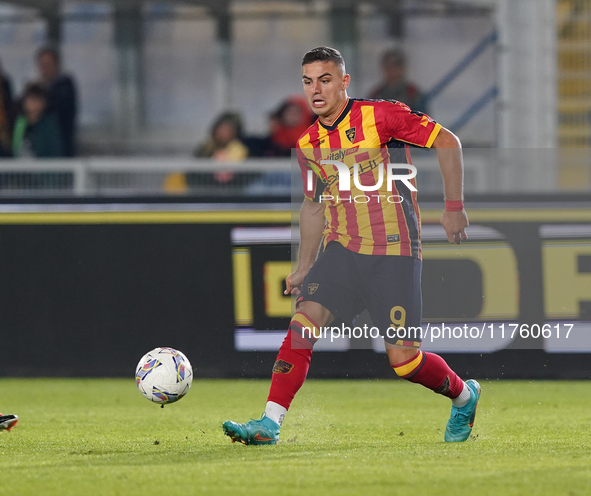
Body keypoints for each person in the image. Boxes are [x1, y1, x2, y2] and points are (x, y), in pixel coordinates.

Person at [223, 46, 479, 445]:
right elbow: (313, 206)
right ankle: (269, 424)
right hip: (342, 250)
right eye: (308, 82)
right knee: (303, 323)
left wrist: (454, 208)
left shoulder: (380, 116)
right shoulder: (309, 145)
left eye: (325, 79)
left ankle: (464, 396)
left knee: (405, 362)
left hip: (394, 250)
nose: (316, 90)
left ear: (344, 82)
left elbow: (448, 142)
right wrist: (304, 266)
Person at [37, 46, 78, 157]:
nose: (45, 69)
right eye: (42, 65)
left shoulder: (65, 85)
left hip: (63, 150)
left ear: (57, 65)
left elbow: (58, 105)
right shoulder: (38, 88)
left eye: (48, 65)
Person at [368, 48, 428, 114]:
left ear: (402, 68)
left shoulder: (413, 94)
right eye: (387, 67)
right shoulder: (375, 95)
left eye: (394, 66)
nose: (391, 70)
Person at [12, 83, 63, 158]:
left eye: (39, 100)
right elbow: (14, 149)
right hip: (20, 167)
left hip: (44, 167)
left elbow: (55, 152)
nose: (35, 104)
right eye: (32, 99)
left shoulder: (49, 123)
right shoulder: (20, 122)